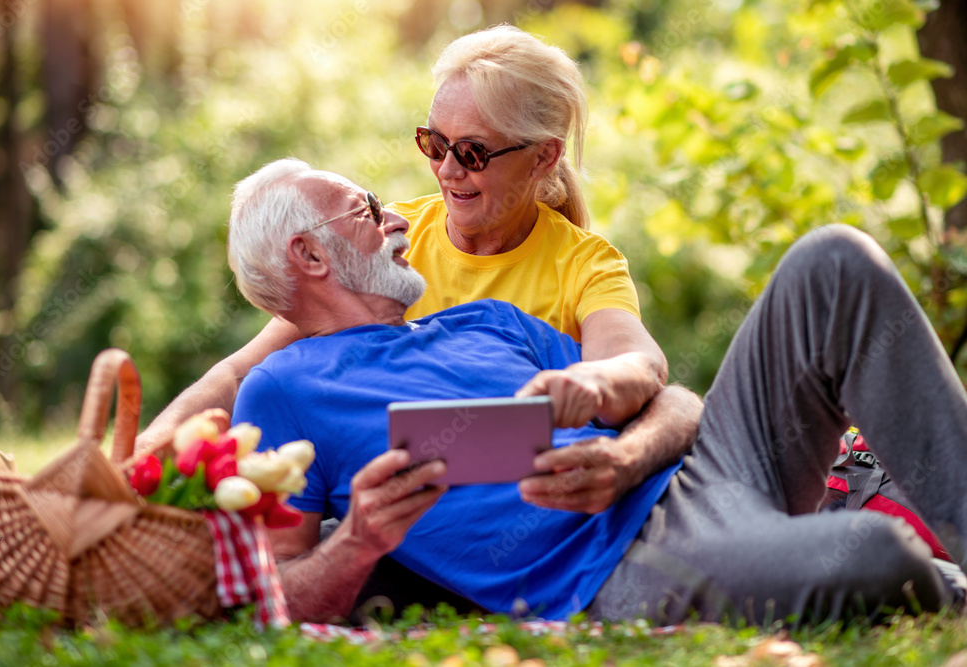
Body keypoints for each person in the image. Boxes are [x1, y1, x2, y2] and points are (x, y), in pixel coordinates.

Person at [229, 161, 967, 625]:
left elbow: (677, 402)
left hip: (708, 470)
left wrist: (619, 443)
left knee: (832, 260)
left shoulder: (487, 321)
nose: (396, 217)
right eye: (365, 206)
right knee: (874, 551)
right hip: (624, 564)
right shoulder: (282, 392)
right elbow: (275, 592)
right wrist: (359, 540)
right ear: (309, 253)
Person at [135, 25, 664, 461]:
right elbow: (239, 372)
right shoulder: (390, 240)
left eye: (473, 152)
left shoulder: (586, 265)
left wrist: (592, 385)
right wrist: (137, 462)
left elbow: (634, 363)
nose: (446, 170)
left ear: (544, 157)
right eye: (433, 143)